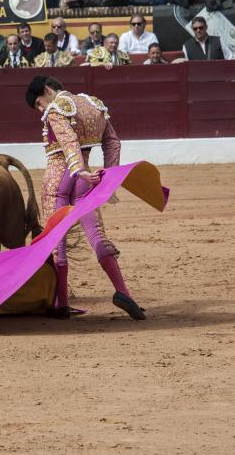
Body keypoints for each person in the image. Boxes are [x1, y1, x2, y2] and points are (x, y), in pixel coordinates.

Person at [25, 75, 145, 320]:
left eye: (39, 103)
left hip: (61, 177)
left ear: (48, 90)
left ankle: (61, 303)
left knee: (57, 241)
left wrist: (77, 169)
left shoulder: (55, 109)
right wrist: (109, 178)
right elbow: (113, 142)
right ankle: (123, 292)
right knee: (97, 234)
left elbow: (69, 142)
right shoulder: (94, 104)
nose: (41, 109)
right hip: (85, 179)